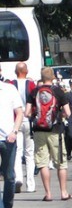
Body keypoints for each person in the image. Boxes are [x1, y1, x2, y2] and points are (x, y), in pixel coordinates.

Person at [26, 67, 72, 202]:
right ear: (52, 77)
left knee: (43, 163)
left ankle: (48, 194)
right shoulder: (58, 91)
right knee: (61, 163)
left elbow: (27, 113)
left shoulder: (34, 92)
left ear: (41, 77)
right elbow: (68, 112)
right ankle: (64, 192)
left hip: (39, 131)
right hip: (55, 131)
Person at [10, 62, 37, 194]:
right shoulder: (31, 84)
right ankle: (30, 184)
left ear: (16, 72)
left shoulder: (10, 84)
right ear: (26, 71)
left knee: (17, 152)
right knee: (29, 153)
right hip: (29, 121)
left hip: (15, 121)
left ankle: (18, 178)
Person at [0, 79, 25, 208]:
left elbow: (19, 113)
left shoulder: (9, 89)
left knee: (9, 176)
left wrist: (14, 132)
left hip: (8, 138)